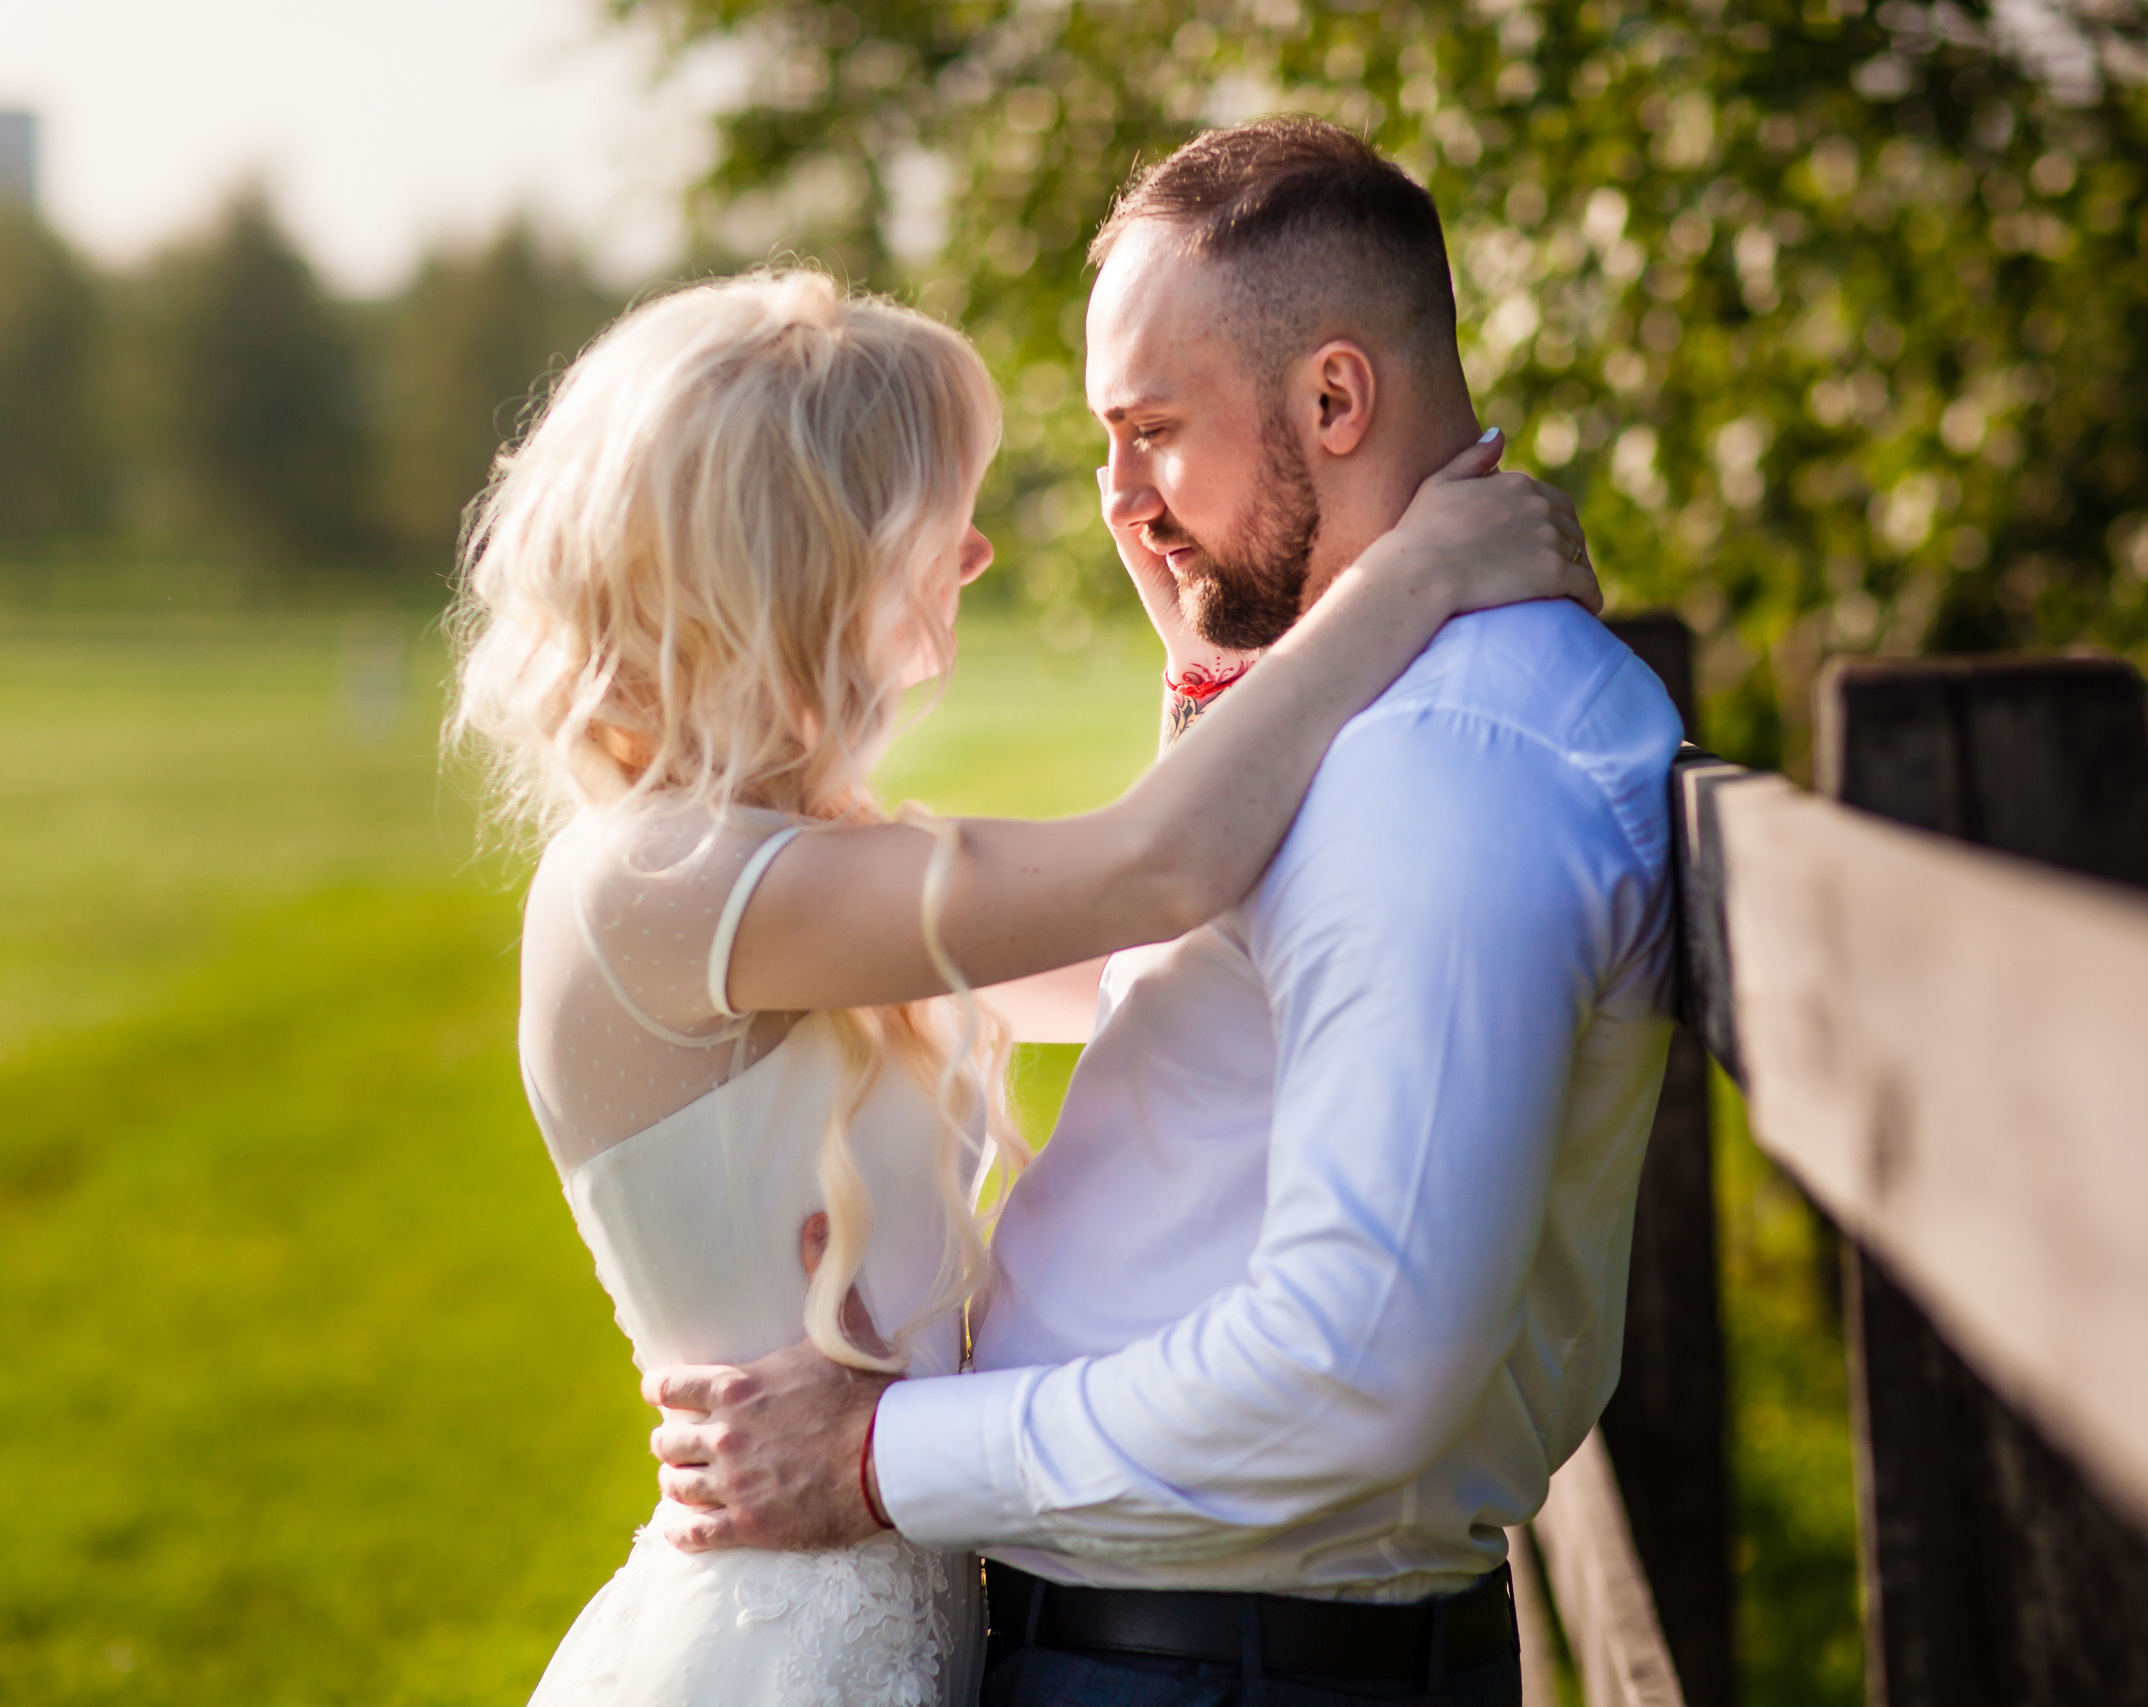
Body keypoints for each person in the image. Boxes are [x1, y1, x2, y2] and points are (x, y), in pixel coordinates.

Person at [448, 266, 1598, 1707]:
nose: (977, 554)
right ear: (807, 552)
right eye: (942, 515)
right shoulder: (664, 886)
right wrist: (1407, 581)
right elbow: (1155, 873)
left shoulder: (796, 864)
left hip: (888, 1615)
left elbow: (1144, 949)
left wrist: (1207, 659)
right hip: (774, 1657)